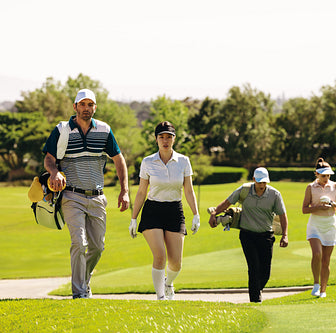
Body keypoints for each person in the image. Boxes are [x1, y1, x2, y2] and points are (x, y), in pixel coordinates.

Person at [43, 88, 130, 299]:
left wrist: (125, 191)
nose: (86, 108)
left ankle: (84, 280)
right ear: (75, 107)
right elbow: (49, 158)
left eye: (90, 105)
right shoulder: (62, 130)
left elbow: (119, 160)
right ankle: (80, 293)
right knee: (79, 243)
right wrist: (54, 172)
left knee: (98, 247)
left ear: (95, 108)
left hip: (98, 197)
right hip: (72, 196)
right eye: (82, 104)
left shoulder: (104, 130)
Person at [129, 121, 200, 300]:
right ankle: (160, 298)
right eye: (161, 137)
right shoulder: (147, 162)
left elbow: (189, 190)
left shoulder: (184, 161)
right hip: (153, 210)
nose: (165, 140)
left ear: (174, 139)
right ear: (156, 139)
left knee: (176, 263)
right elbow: (141, 192)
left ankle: (168, 284)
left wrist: (196, 214)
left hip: (174, 210)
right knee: (160, 255)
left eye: (169, 137)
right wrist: (133, 218)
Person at [208, 167, 288, 303]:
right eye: (260, 182)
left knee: (265, 273)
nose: (262, 185)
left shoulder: (275, 194)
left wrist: (284, 235)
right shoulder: (244, 190)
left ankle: (257, 290)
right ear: (254, 180)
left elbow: (282, 215)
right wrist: (214, 214)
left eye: (264, 183)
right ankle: (255, 300)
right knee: (253, 268)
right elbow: (227, 202)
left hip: (266, 236)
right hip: (247, 235)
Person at [302, 157, 336, 298]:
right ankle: (316, 284)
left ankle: (323, 290)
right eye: (323, 176)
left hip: (330, 224)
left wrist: (332, 204)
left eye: (328, 175)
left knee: (326, 260)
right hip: (315, 224)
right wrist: (318, 207)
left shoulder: (335, 186)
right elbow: (304, 209)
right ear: (316, 174)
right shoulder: (310, 187)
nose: (326, 178)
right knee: (317, 254)